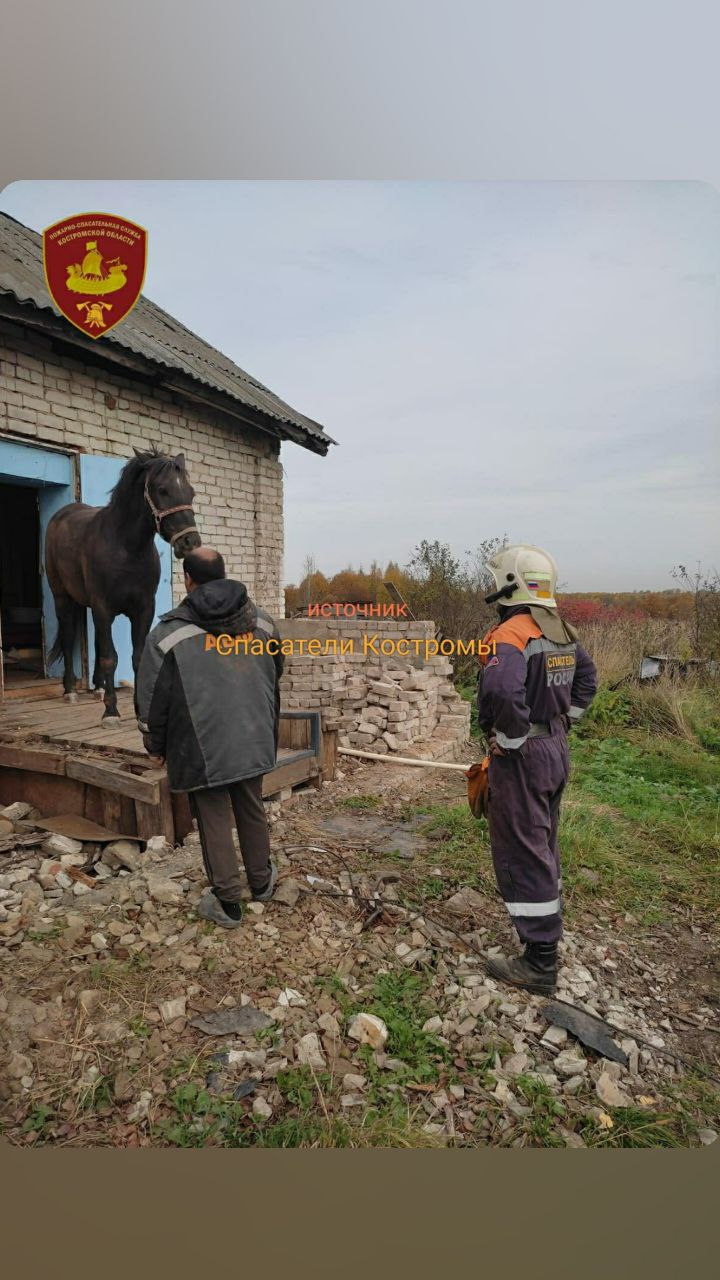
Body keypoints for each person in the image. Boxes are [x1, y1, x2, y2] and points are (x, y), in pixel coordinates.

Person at [136, 547, 283, 929]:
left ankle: (228, 903)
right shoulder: (263, 622)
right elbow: (275, 669)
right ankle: (262, 883)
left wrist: (154, 745)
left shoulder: (168, 635)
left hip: (202, 746)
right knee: (251, 807)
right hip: (253, 735)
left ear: (188, 579)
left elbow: (153, 699)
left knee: (214, 816)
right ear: (223, 573)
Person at [476, 544, 597, 993]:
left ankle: (540, 961)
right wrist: (563, 720)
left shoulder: (510, 635)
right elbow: (588, 679)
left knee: (523, 847)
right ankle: (546, 932)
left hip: (523, 757)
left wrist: (509, 740)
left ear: (508, 584)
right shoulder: (561, 629)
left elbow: (504, 694)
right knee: (542, 839)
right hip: (554, 750)